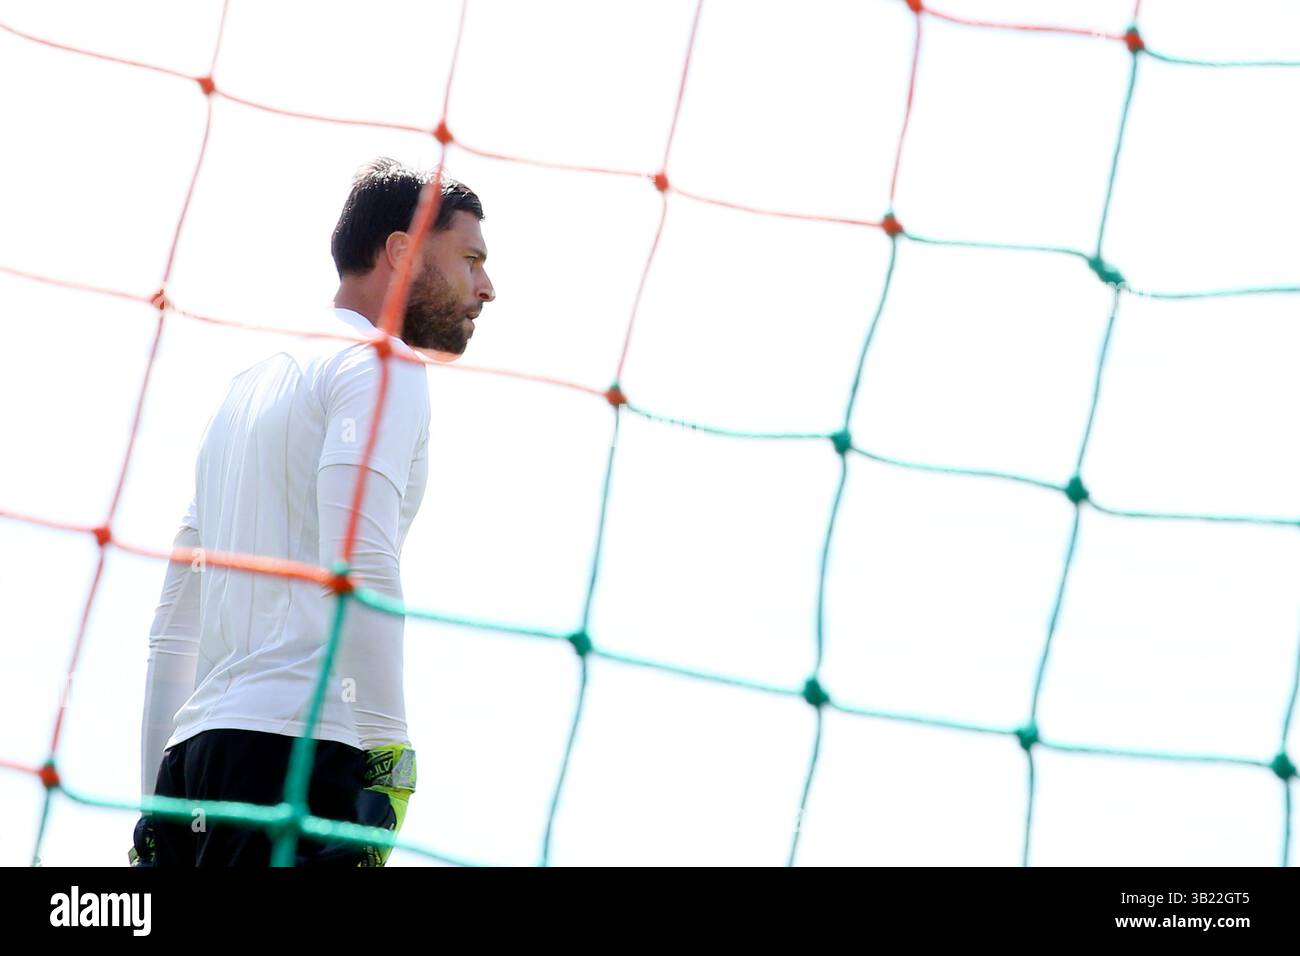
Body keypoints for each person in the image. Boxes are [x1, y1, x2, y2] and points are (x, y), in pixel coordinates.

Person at [129, 157, 495, 866]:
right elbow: (358, 558)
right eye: (471, 259)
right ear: (401, 251)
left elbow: (175, 620)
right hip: (300, 764)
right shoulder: (379, 364)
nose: (486, 287)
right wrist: (389, 763)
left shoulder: (246, 388)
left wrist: (155, 806)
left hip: (197, 772)